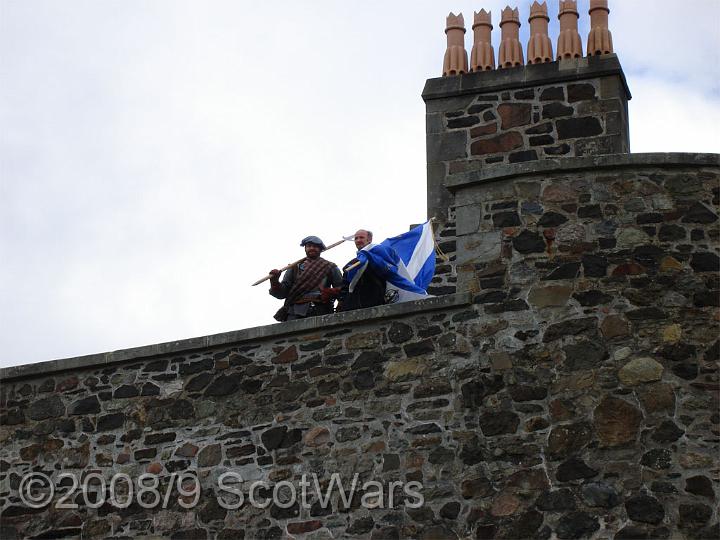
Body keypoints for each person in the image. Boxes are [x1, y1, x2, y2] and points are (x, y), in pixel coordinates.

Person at [268, 236, 343, 321]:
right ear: (305, 248)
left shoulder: (330, 267)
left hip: (321, 310)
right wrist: (274, 281)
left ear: (320, 249)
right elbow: (282, 294)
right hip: (295, 312)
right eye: (309, 246)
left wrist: (330, 292)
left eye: (315, 246)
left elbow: (342, 289)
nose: (312, 248)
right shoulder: (294, 268)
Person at [335, 229, 386, 312]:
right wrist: (341, 302)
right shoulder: (350, 265)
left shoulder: (379, 260)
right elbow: (344, 287)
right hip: (351, 308)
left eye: (361, 237)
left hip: (374, 306)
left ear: (369, 240)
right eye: (356, 238)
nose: (358, 240)